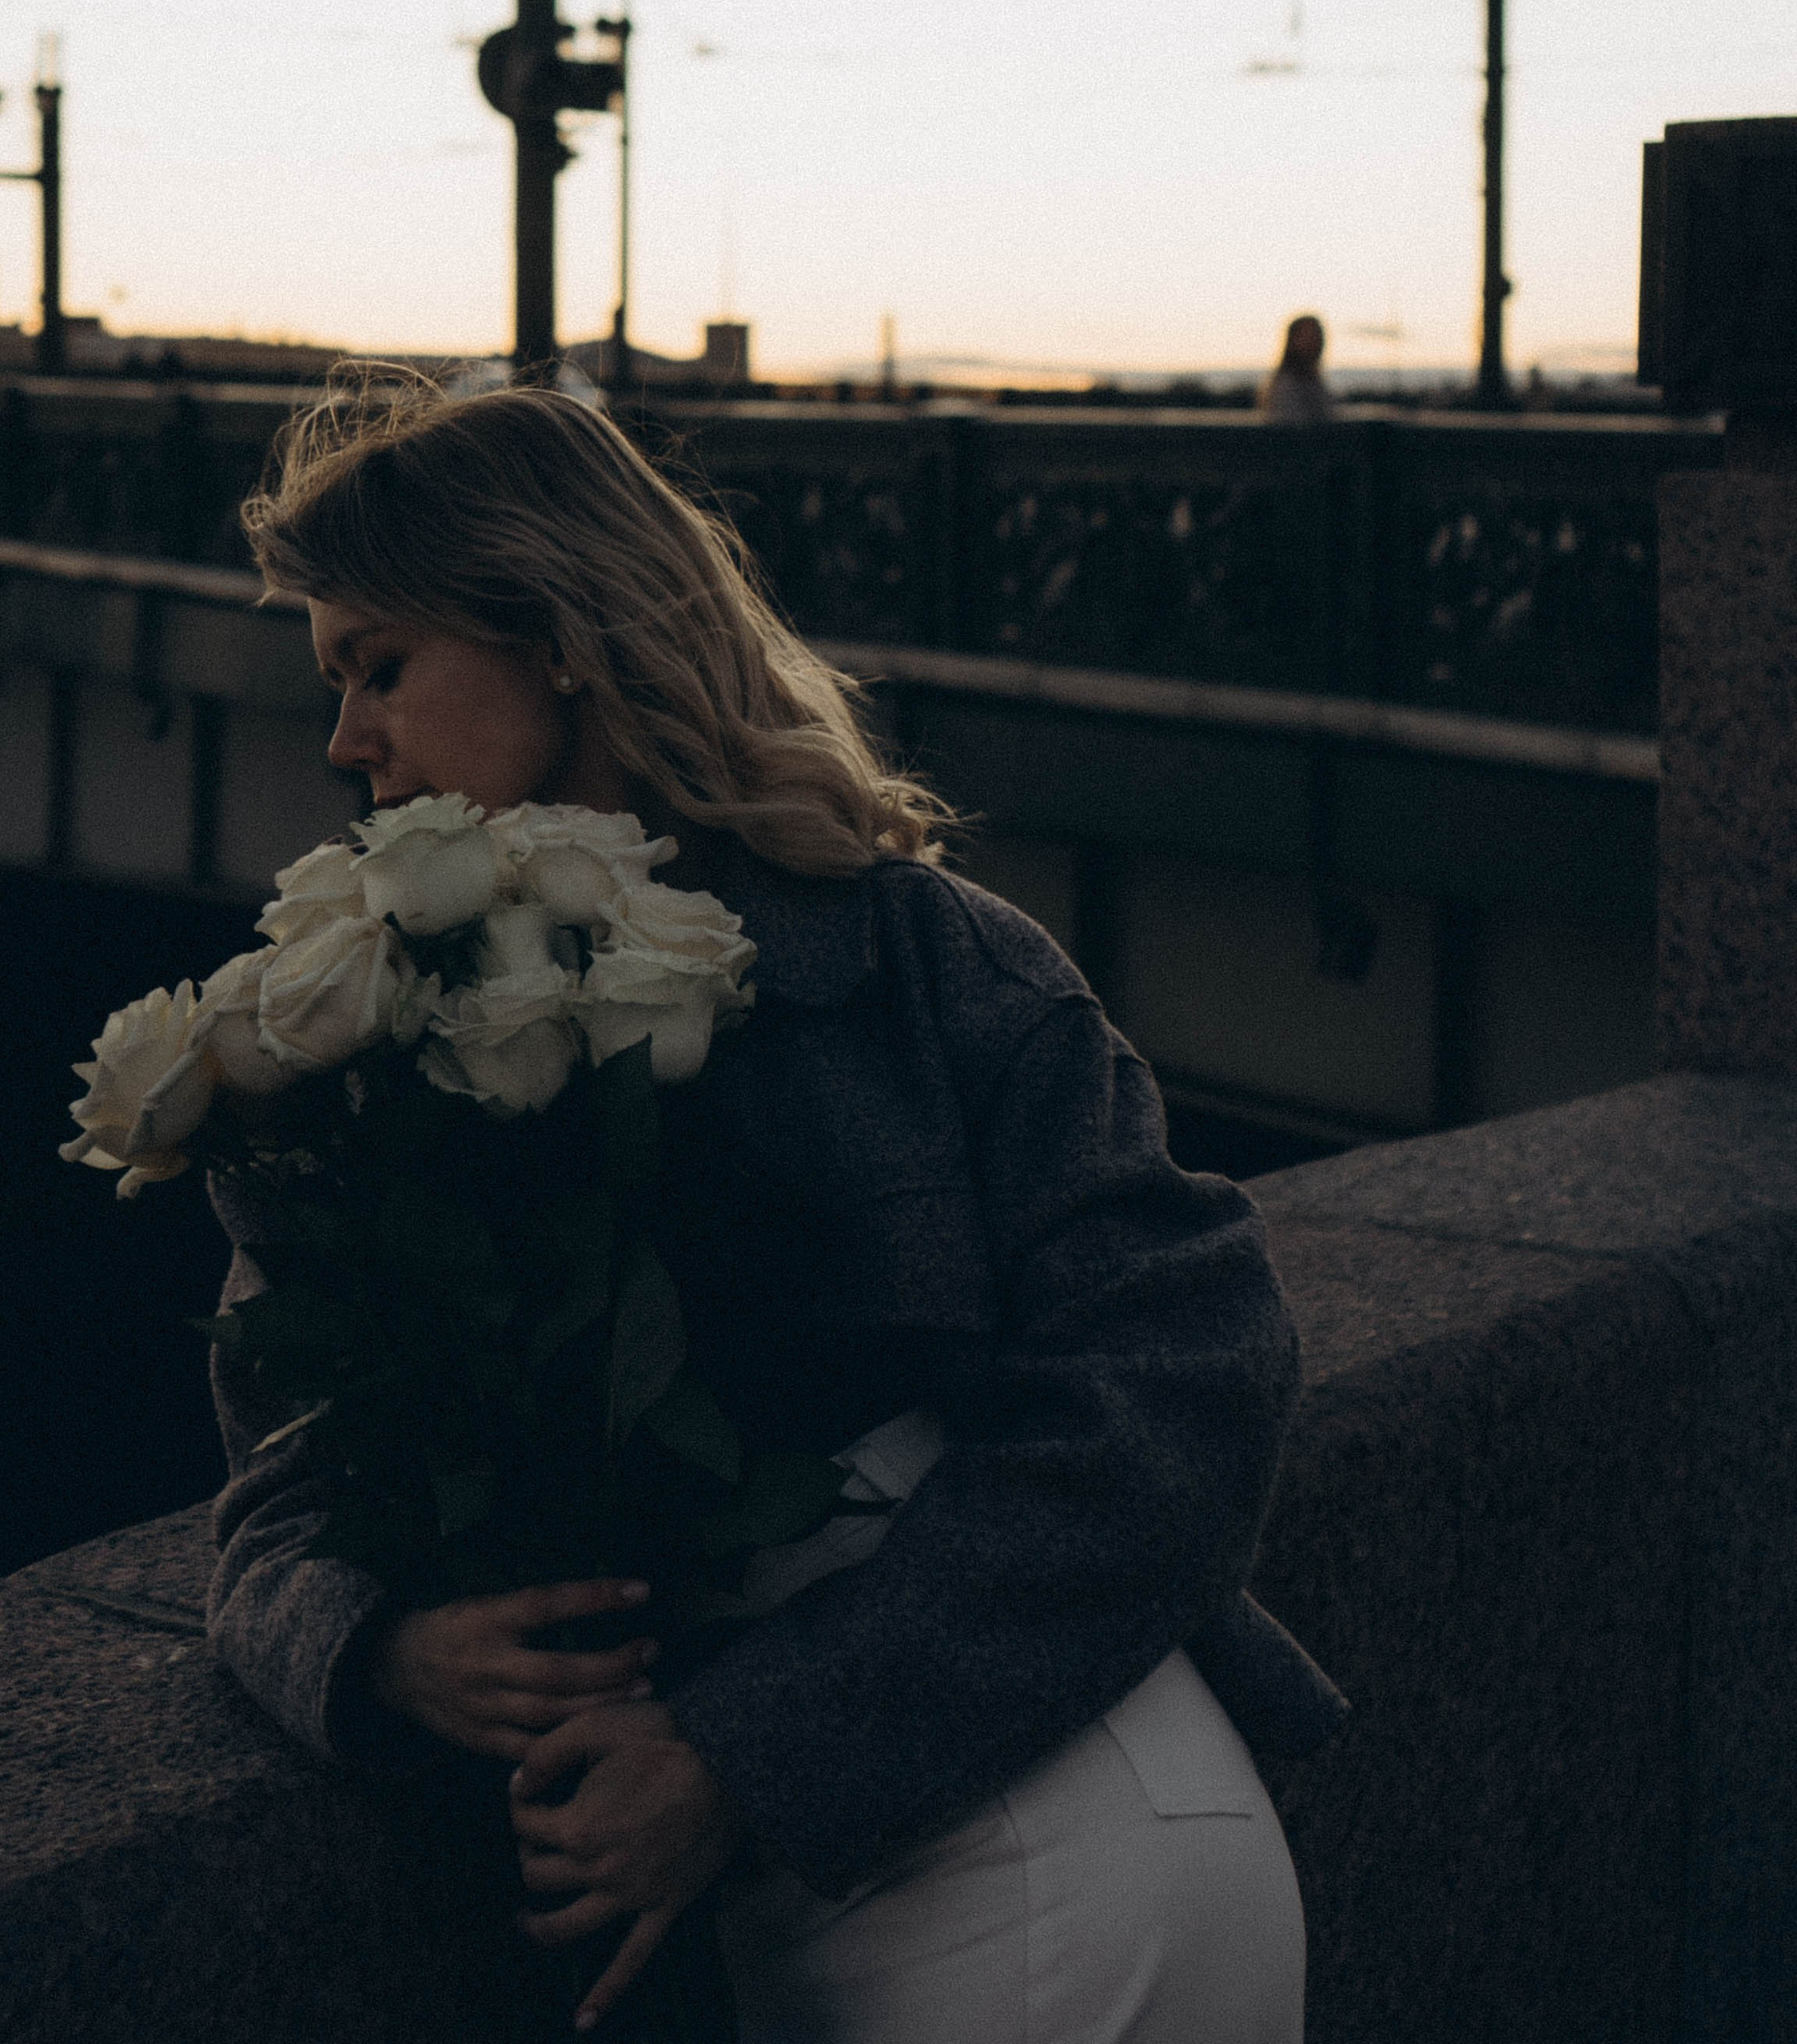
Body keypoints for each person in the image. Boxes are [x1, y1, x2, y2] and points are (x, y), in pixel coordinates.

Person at [208, 377, 1345, 2042]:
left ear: (561, 637)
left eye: (382, 665)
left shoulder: (921, 957)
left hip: (1054, 1850)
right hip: (778, 1912)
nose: (343, 742)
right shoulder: (358, 1055)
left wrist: (752, 1748)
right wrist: (374, 1653)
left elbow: (1189, 1373)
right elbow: (270, 1491)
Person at [1257, 317, 1335, 425]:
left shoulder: (1314, 382)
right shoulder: (1285, 386)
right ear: (1292, 341)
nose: (1315, 342)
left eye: (1318, 336)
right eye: (1308, 337)